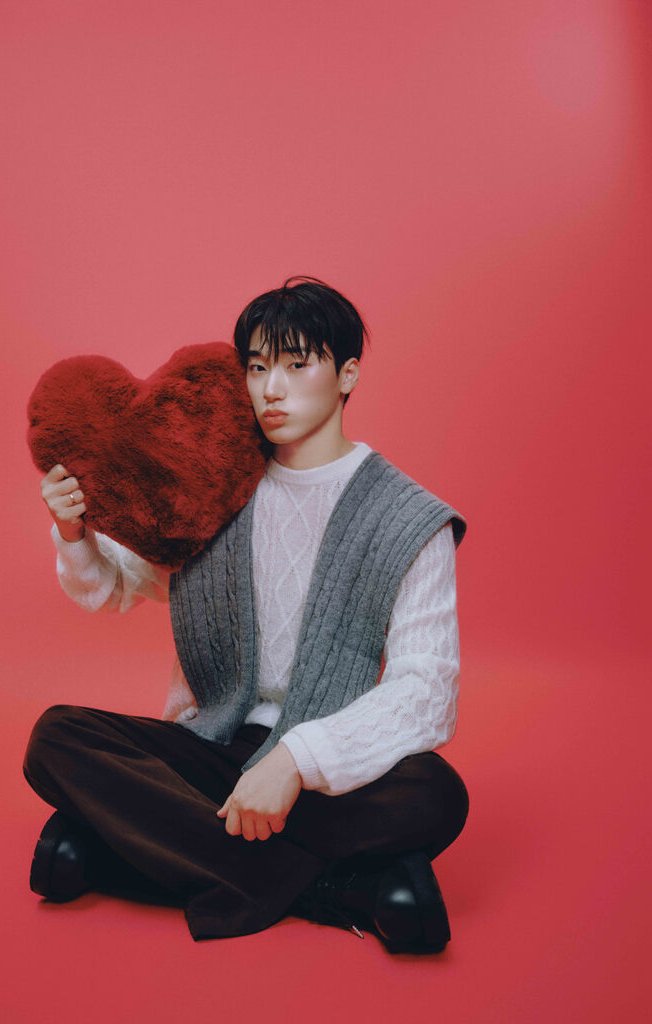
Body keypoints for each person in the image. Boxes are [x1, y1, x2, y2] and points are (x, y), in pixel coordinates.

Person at [23, 276, 469, 953]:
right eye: (257, 368)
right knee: (57, 739)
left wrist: (295, 761)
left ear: (348, 375)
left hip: (321, 765)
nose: (271, 390)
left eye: (297, 365)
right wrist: (73, 532)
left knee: (435, 793)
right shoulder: (214, 477)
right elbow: (113, 586)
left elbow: (426, 690)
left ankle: (118, 853)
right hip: (212, 746)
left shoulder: (408, 519)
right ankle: (336, 892)